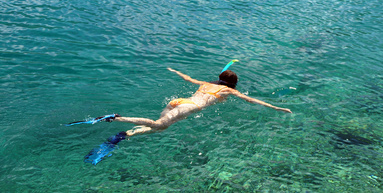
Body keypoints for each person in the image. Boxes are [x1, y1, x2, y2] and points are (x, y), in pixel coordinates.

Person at [112, 68, 292, 137]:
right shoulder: (229, 90)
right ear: (232, 84)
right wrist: (276, 107)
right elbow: (251, 99)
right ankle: (117, 118)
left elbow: (188, 78)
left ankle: (127, 134)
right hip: (191, 107)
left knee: (163, 126)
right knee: (158, 125)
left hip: (179, 102)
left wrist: (175, 71)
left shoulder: (206, 83)